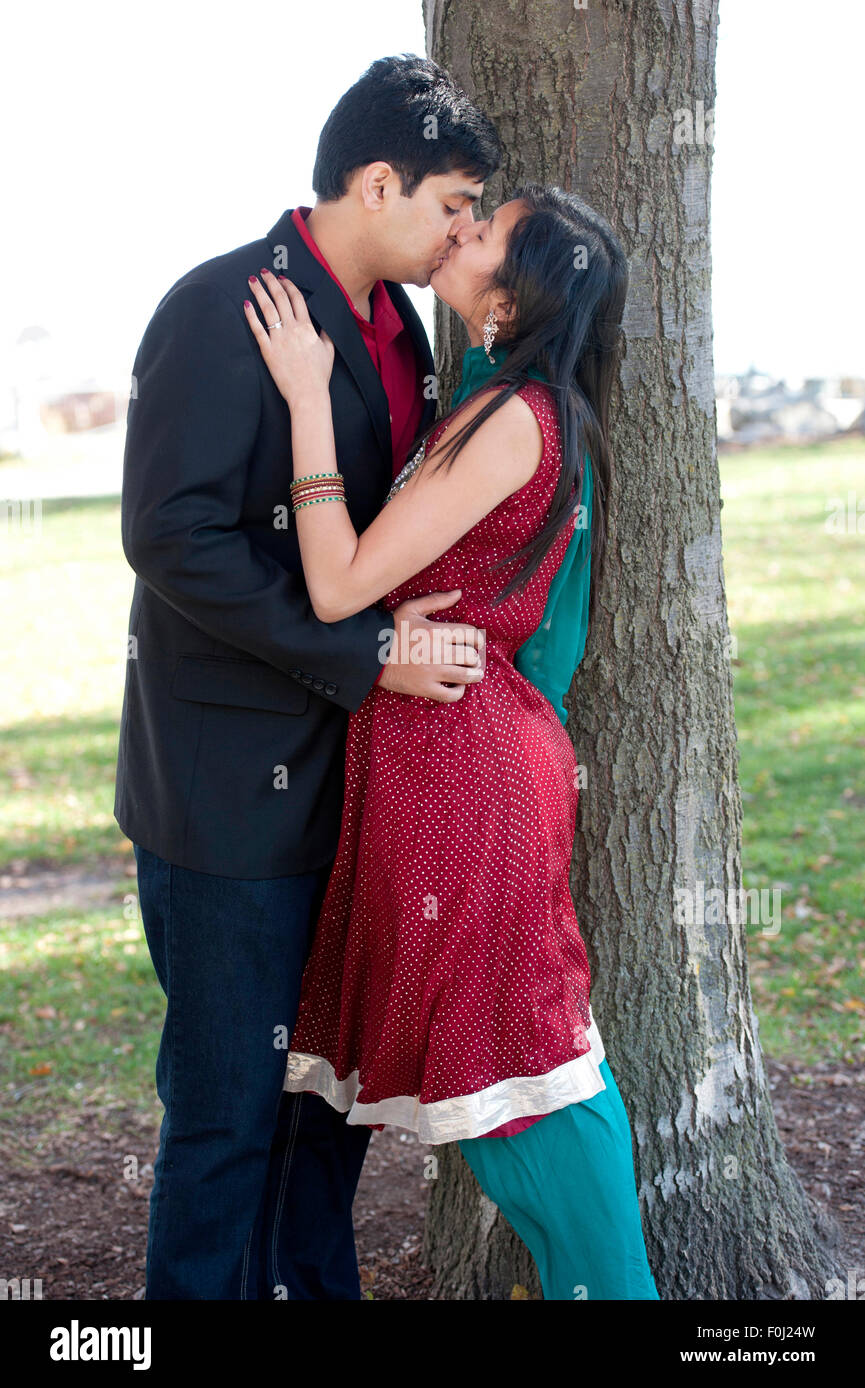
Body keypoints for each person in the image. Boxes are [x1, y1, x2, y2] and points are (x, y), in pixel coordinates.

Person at [115, 54, 503, 1300]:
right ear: (377, 181)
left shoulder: (405, 331)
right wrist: (367, 651)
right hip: (229, 795)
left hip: (360, 790)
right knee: (228, 1113)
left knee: (327, 1113)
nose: (462, 229)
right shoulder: (220, 303)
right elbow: (172, 537)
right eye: (452, 201)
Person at [243, 181, 660, 1301]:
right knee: (493, 1070)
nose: (462, 232)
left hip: (467, 782)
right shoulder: (492, 399)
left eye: (487, 233)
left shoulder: (516, 419)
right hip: (445, 767)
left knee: (524, 1070)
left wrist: (304, 398)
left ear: (515, 300)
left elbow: (335, 584)